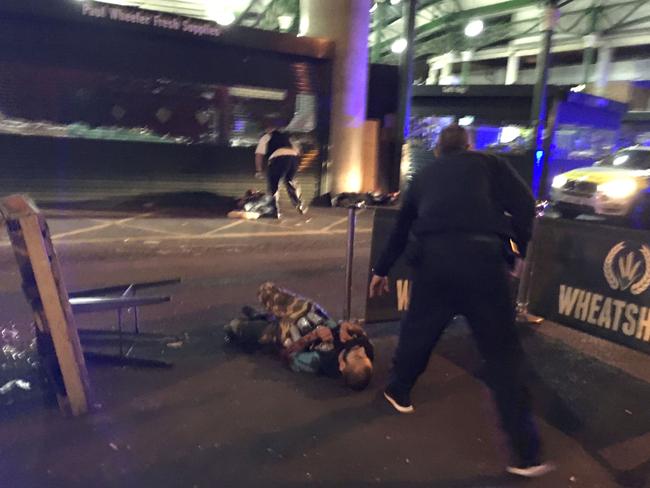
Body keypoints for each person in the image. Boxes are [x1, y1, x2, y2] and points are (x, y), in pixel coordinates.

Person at [368, 125, 552, 478]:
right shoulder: (490, 163)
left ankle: (400, 390)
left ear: (438, 150)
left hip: (435, 260)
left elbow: (402, 227)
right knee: (502, 354)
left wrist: (381, 269)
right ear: (469, 146)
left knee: (419, 330)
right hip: (484, 259)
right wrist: (517, 249)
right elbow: (525, 204)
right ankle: (526, 454)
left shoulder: (424, 176)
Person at [225, 282, 373, 390]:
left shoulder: (320, 361)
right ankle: (265, 316)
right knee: (265, 290)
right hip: (306, 311)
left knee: (235, 326)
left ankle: (260, 320)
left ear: (342, 365)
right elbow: (361, 334)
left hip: (285, 331)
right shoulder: (364, 349)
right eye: (364, 355)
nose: (360, 350)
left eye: (358, 356)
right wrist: (347, 326)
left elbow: (289, 356)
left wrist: (314, 335)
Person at [254, 121, 306, 218]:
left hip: (278, 158)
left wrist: (259, 170)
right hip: (293, 158)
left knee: (273, 183)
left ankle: (274, 210)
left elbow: (259, 155)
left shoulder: (266, 137)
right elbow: (299, 151)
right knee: (290, 181)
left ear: (268, 130)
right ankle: (299, 204)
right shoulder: (288, 137)